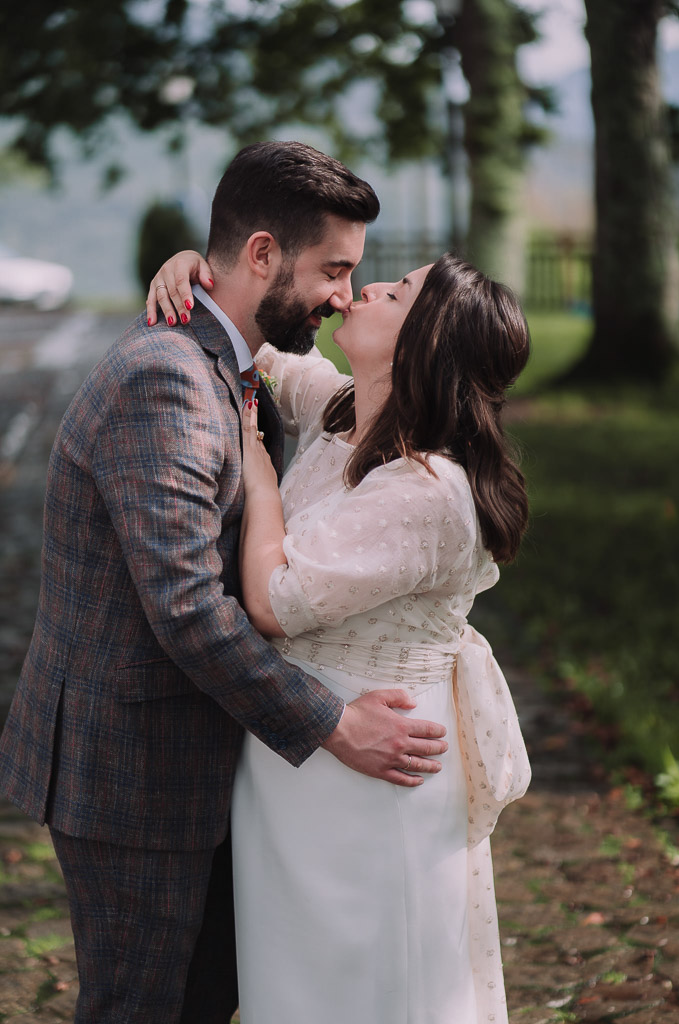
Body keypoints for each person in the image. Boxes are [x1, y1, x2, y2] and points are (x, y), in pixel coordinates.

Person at [0, 141, 450, 1024]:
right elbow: (186, 608)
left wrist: (193, 269)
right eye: (333, 269)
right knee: (142, 1008)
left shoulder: (232, 359)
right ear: (260, 253)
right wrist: (332, 726)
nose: (342, 294)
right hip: (133, 776)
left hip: (194, 762)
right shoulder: (163, 381)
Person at [150, 247, 533, 1023]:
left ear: (423, 344)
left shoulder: (426, 488)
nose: (369, 288)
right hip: (302, 753)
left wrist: (258, 478)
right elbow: (255, 347)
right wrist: (201, 265)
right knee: (298, 979)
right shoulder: (346, 413)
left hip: (372, 758)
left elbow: (272, 600)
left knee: (371, 972)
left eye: (398, 292)